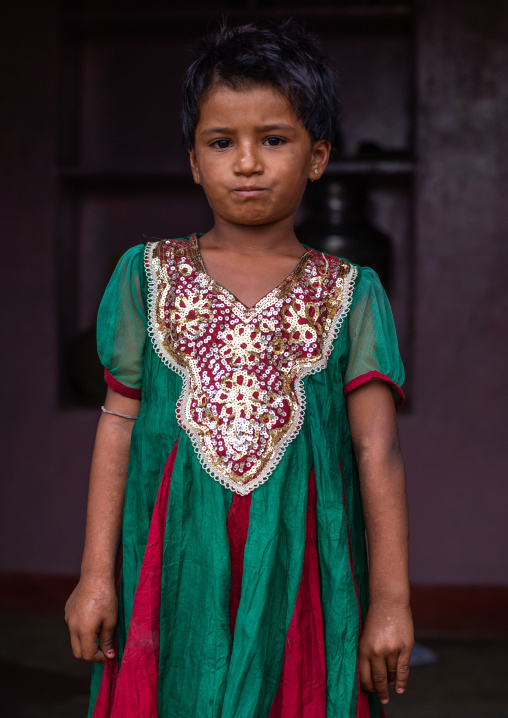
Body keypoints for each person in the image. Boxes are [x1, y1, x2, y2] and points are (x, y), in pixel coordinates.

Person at [65, 20, 414, 718]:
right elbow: (117, 424)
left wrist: (392, 602)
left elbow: (377, 452)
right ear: (195, 161)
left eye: (274, 140)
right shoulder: (146, 275)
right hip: (172, 572)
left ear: (317, 157)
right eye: (222, 142)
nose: (247, 163)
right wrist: (95, 577)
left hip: (302, 576)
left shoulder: (350, 292)